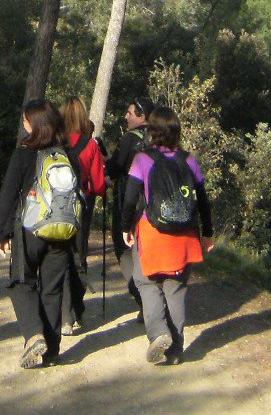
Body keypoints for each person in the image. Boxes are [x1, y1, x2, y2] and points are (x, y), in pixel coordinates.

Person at [121, 104, 213, 366]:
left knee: (146, 283)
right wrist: (207, 234)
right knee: (176, 290)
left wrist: (126, 227)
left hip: (153, 234)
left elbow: (130, 200)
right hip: (184, 236)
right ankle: (176, 350)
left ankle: (159, 333)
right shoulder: (189, 160)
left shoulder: (142, 160)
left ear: (152, 131)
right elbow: (204, 201)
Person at [0, 98, 79, 369]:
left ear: (33, 124)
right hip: (63, 231)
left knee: (22, 283)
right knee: (52, 289)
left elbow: (8, 194)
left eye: (25, 119)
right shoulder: (69, 155)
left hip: (30, 229)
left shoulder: (23, 153)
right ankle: (52, 349)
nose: (23, 123)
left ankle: (33, 336)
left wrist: (2, 232)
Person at [59, 96, 106, 335]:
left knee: (60, 256)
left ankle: (63, 314)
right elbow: (98, 185)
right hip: (82, 205)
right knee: (79, 256)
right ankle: (77, 310)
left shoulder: (54, 141)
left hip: (55, 208)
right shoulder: (90, 145)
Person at [104, 95, 152, 318]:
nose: (126, 116)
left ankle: (144, 299)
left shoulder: (128, 140)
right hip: (153, 207)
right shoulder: (157, 138)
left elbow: (113, 170)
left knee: (124, 250)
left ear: (141, 116)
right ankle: (152, 302)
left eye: (130, 113)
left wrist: (103, 159)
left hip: (128, 203)